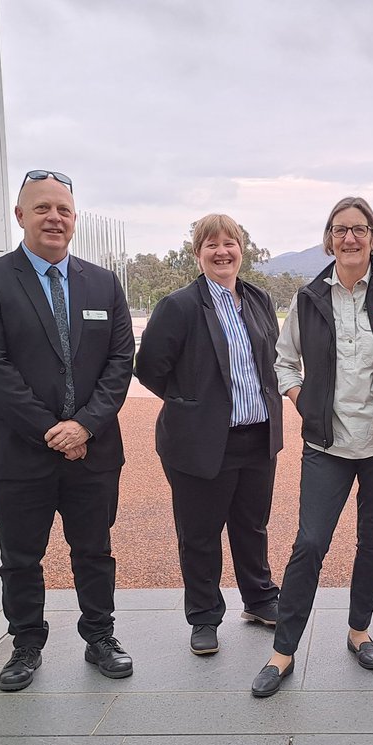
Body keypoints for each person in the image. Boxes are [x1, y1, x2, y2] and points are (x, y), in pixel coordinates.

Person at [250, 197, 373, 697]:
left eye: (359, 230)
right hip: (327, 443)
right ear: (328, 239)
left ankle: (359, 632)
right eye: (340, 230)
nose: (350, 239)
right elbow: (283, 363)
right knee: (310, 543)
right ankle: (283, 652)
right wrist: (301, 400)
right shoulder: (306, 299)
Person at [0, 169, 135, 691]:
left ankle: (100, 637)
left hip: (93, 451)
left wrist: (83, 426)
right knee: (20, 557)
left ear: (74, 219)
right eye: (42, 208)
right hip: (17, 451)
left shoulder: (103, 282)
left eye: (63, 210)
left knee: (95, 551)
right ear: (20, 216)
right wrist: (51, 430)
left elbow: (120, 361)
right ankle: (26, 644)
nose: (54, 218)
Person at [134, 214, 283, 656]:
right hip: (200, 442)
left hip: (256, 437)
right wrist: (191, 404)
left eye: (230, 243)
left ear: (242, 249)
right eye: (211, 244)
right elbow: (149, 370)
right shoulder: (179, 306)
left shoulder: (256, 299)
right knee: (199, 534)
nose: (222, 251)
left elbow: (270, 359)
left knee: (252, 526)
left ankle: (258, 599)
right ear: (197, 254)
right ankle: (203, 616)